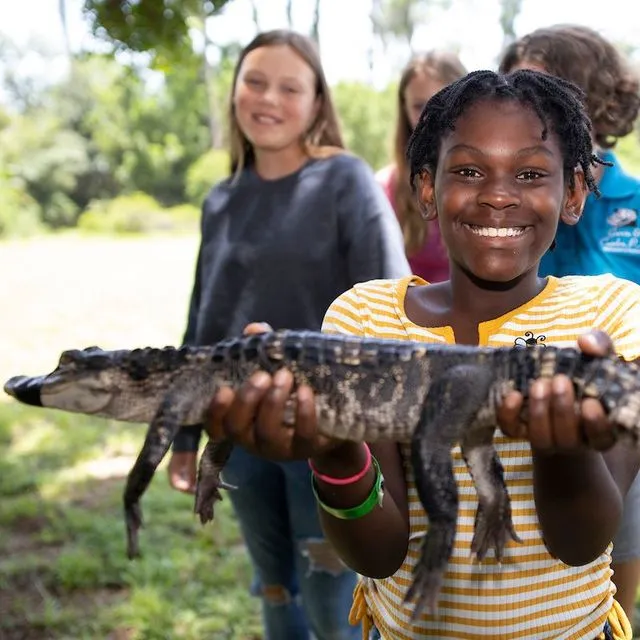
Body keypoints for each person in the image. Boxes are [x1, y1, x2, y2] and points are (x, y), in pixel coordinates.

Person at [203, 69, 640, 639]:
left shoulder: (611, 317)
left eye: (531, 173)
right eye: (467, 171)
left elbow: (582, 543)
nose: (499, 193)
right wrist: (337, 457)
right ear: (427, 189)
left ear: (575, 193)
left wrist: (563, 451)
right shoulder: (366, 319)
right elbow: (380, 554)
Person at [166, 29, 410, 640]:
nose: (268, 98)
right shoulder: (220, 199)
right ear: (234, 92)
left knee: (333, 594)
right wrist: (183, 433)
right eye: (254, 80)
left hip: (323, 433)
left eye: (289, 86)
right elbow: (204, 320)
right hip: (237, 430)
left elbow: (389, 305)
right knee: (273, 584)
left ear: (317, 103)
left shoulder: (344, 181)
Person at [499, 24, 640, 624]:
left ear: (595, 94)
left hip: (623, 428)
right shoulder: (508, 201)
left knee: (610, 583)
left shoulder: (633, 202)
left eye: (544, 85)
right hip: (512, 409)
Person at [376, 51, 467, 283]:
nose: (431, 115)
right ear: (404, 110)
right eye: (419, 106)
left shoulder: (492, 185)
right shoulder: (385, 189)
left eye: (445, 101)